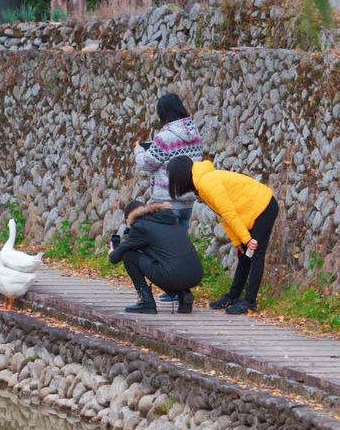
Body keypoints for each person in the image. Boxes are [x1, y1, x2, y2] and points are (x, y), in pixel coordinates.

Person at [167, 155, 279, 315]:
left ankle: (249, 302)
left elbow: (228, 212)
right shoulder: (201, 183)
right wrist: (237, 242)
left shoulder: (206, 182)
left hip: (263, 207)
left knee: (255, 254)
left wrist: (247, 240)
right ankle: (233, 297)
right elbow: (222, 216)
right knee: (244, 255)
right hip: (251, 211)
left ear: (180, 176)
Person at [133, 93, 203, 303]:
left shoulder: (164, 137)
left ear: (164, 113)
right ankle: (182, 290)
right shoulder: (195, 133)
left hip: (167, 200)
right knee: (182, 247)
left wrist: (138, 150)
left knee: (166, 249)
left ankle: (174, 290)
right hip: (187, 198)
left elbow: (147, 163)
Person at [108, 199, 204, 314]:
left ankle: (146, 301)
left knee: (129, 255)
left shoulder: (140, 226)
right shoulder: (168, 220)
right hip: (196, 274)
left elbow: (114, 258)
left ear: (130, 218)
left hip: (174, 275)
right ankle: (184, 294)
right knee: (167, 262)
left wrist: (112, 250)